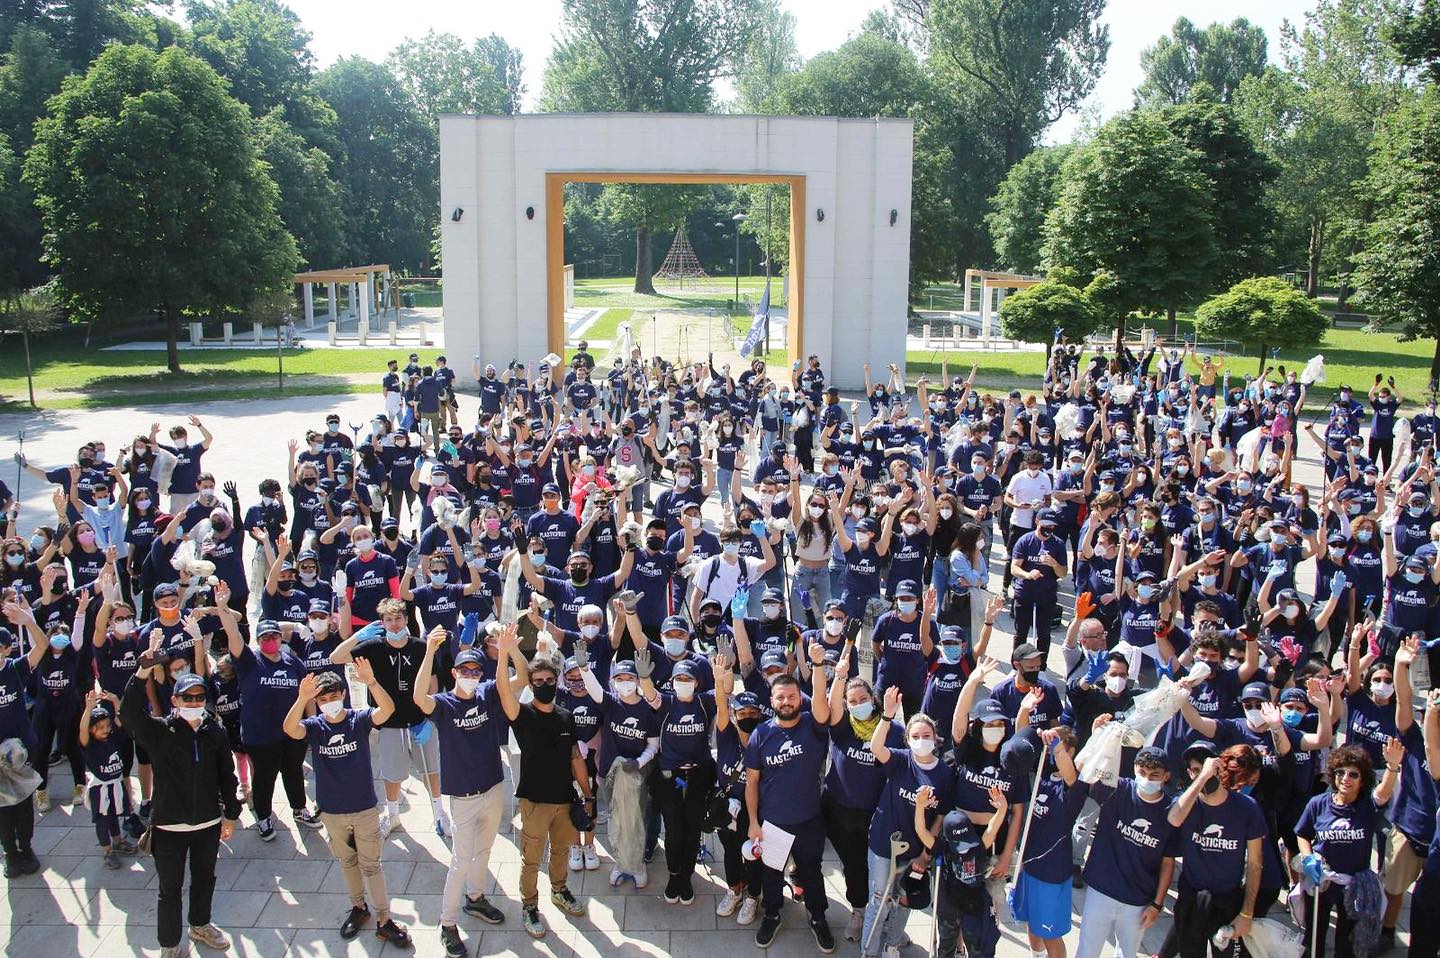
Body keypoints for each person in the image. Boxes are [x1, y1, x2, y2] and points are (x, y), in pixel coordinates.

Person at [121, 643, 239, 958]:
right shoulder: (159, 732)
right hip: (169, 827)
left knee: (204, 879)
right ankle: (170, 945)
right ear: (175, 700)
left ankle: (200, 924)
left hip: (207, 823)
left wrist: (231, 814)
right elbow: (129, 713)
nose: (195, 702)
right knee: (169, 890)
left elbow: (227, 775)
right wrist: (142, 671)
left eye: (200, 697)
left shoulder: (214, 732)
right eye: (188, 698)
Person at [282, 664, 412, 947]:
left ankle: (384, 919)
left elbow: (387, 711)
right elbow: (290, 729)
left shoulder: (358, 719)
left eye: (332, 696)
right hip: (331, 811)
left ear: (343, 694)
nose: (329, 703)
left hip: (364, 808)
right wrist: (302, 698)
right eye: (323, 700)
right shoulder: (316, 727)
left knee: (371, 865)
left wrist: (372, 682)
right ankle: (358, 907)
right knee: (347, 862)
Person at [413, 630, 510, 957]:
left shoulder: (486, 694)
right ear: (453, 673)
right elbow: (418, 699)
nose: (470, 676)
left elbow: (517, 679)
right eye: (464, 671)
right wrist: (429, 652)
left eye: (476, 672)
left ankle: (476, 898)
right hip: (463, 796)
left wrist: (507, 651)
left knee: (484, 851)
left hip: (493, 787)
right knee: (460, 860)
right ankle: (447, 923)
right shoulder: (443, 704)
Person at [493, 622, 590, 941]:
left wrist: (587, 794)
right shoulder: (521, 715)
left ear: (556, 682)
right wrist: (505, 654)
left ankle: (560, 890)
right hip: (533, 801)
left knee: (561, 850)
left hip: (564, 800)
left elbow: (576, 757)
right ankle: (529, 905)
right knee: (532, 859)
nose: (545, 683)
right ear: (532, 685)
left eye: (550, 679)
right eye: (539, 681)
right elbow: (504, 691)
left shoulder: (565, 716)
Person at [745, 641, 834, 952]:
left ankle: (818, 916)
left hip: (809, 819)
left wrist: (819, 666)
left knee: (812, 871)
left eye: (792, 696)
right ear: (772, 700)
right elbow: (752, 781)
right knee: (771, 873)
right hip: (774, 822)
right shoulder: (761, 734)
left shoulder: (812, 725)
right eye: (780, 697)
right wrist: (754, 822)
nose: (786, 702)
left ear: (800, 699)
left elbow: (823, 706)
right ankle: (772, 914)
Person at [1294, 741, 1401, 958]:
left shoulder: (1367, 806)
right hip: (1321, 882)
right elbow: (1302, 834)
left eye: (1353, 774)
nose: (1345, 778)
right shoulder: (1318, 804)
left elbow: (1383, 794)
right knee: (1314, 939)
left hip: (1354, 886)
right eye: (1340, 772)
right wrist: (1307, 858)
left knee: (1347, 943)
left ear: (1363, 781)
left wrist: (1392, 767)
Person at [1163, 742, 1267, 958]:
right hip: (1192, 897)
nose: (1203, 773)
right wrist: (1202, 777)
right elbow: (1174, 818)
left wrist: (1246, 913)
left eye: (1207, 766)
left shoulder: (1247, 808)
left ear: (1220, 768)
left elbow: (1255, 862)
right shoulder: (1186, 803)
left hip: (1227, 901)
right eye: (1194, 769)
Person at [1073, 746, 1177, 958]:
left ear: (1166, 776)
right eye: (1142, 773)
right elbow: (1084, 769)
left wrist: (1157, 904)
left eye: (1154, 775)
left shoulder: (1171, 812)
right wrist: (1100, 739)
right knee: (1087, 951)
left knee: (1127, 954)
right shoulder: (1117, 789)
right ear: (1134, 769)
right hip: (1101, 891)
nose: (1147, 779)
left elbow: (1168, 862)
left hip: (1138, 901)